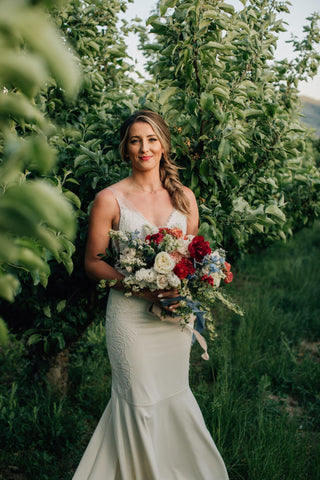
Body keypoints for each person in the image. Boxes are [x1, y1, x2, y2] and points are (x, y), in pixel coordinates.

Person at [73, 110, 229, 479]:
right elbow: (94, 263)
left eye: (152, 139)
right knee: (139, 401)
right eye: (135, 140)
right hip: (131, 318)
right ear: (125, 149)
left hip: (174, 318)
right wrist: (144, 292)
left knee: (173, 396)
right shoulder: (109, 199)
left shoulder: (185, 198)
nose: (145, 148)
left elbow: (190, 257)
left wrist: (199, 283)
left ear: (164, 145)